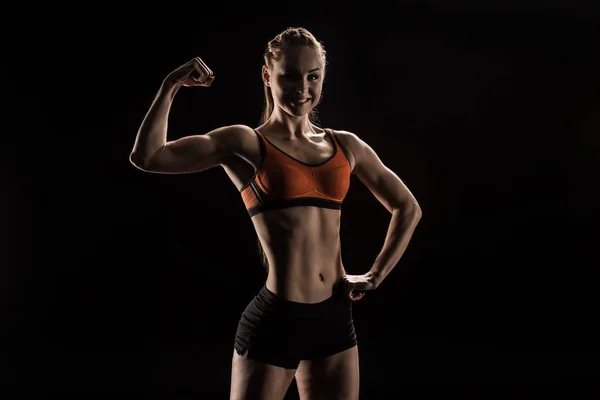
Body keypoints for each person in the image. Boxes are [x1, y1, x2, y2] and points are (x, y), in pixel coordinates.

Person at [129, 27, 422, 400]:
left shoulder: (346, 145)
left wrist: (376, 274)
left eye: (313, 76)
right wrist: (172, 84)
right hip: (275, 323)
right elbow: (149, 157)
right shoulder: (244, 143)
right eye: (289, 76)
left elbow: (407, 207)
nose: (303, 87)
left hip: (335, 319)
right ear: (267, 75)